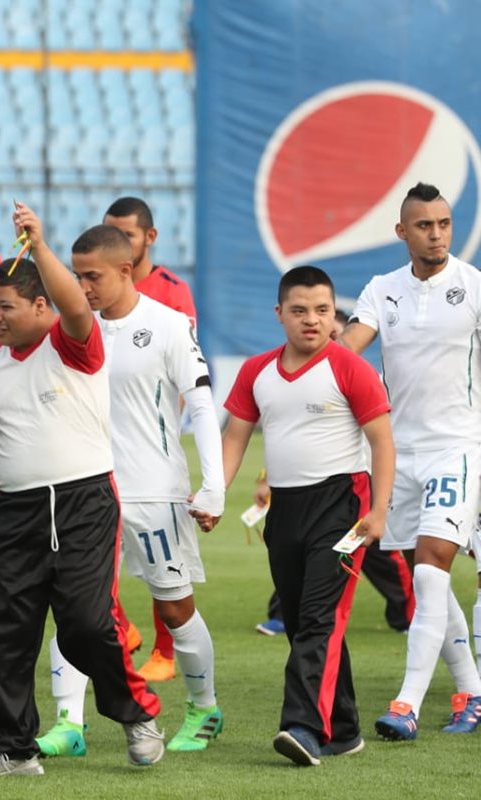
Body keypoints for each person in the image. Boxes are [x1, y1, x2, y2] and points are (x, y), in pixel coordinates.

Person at [0, 210, 163, 777]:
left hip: (82, 504)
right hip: (15, 509)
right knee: (6, 630)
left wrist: (41, 246)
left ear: (40, 307)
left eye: (6, 307)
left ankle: (136, 715)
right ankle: (11, 749)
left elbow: (75, 302)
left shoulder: (74, 342)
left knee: (87, 625)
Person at [40, 224, 226, 757]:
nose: (83, 286)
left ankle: (203, 708)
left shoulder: (168, 325)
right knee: (76, 608)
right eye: (76, 276)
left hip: (154, 491)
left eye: (92, 276)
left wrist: (212, 485)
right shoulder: (72, 329)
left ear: (125, 270)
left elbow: (202, 404)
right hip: (85, 491)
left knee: (174, 611)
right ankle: (68, 723)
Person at [220, 265, 394, 766]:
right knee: (299, 623)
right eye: (299, 311)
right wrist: (214, 494)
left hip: (343, 505)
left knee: (319, 618)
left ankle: (302, 727)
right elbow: (235, 436)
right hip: (287, 509)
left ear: (333, 314)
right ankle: (344, 729)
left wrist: (379, 511)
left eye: (322, 310)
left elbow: (382, 442)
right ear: (279, 314)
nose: (312, 320)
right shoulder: (257, 371)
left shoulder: (351, 368)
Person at [340, 182, 481, 740]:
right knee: (432, 585)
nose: (437, 234)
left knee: (429, 567)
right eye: (425, 225)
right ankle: (470, 692)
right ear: (402, 232)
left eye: (444, 223)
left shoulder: (473, 287)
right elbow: (351, 346)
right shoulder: (383, 289)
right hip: (399, 455)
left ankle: (406, 704)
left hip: (459, 447)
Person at [256, 309, 414, 637]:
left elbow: (385, 440)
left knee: (378, 553)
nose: (334, 341)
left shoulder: (364, 376)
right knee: (306, 554)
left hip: (360, 484)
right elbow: (288, 438)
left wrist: (381, 502)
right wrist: (265, 478)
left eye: (338, 335)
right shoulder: (299, 379)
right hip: (316, 488)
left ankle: (408, 613)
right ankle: (285, 615)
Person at [101, 196, 193, 680]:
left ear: (149, 238)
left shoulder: (172, 294)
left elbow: (181, 382)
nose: (119, 243)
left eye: (128, 235)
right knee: (91, 562)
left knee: (163, 565)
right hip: (100, 452)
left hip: (149, 454)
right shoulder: (95, 293)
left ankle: (165, 650)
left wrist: (162, 437)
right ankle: (122, 629)